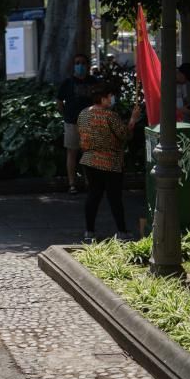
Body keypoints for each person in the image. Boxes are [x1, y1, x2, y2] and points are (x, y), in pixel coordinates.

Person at [77, 82, 141, 243]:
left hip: (89, 160)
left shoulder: (83, 114)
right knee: (115, 198)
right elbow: (125, 135)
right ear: (103, 98)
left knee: (93, 196)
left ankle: (89, 232)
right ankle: (122, 231)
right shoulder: (110, 116)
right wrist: (133, 120)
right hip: (110, 162)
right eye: (110, 96)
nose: (112, 99)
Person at [57, 53, 98, 194]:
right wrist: (66, 115)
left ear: (87, 66)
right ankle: (72, 184)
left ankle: (90, 183)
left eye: (82, 63)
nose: (79, 66)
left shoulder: (94, 82)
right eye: (77, 63)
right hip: (72, 123)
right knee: (72, 153)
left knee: (89, 154)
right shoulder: (67, 83)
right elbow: (59, 101)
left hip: (90, 123)